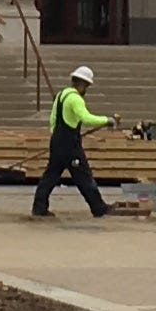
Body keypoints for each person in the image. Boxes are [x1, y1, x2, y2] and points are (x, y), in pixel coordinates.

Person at [34, 63, 113, 219]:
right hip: (70, 146)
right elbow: (86, 117)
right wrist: (106, 120)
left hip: (57, 141)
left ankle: (39, 208)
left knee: (50, 175)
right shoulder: (75, 99)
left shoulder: (61, 95)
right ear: (83, 84)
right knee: (83, 176)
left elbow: (53, 119)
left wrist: (57, 137)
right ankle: (99, 208)